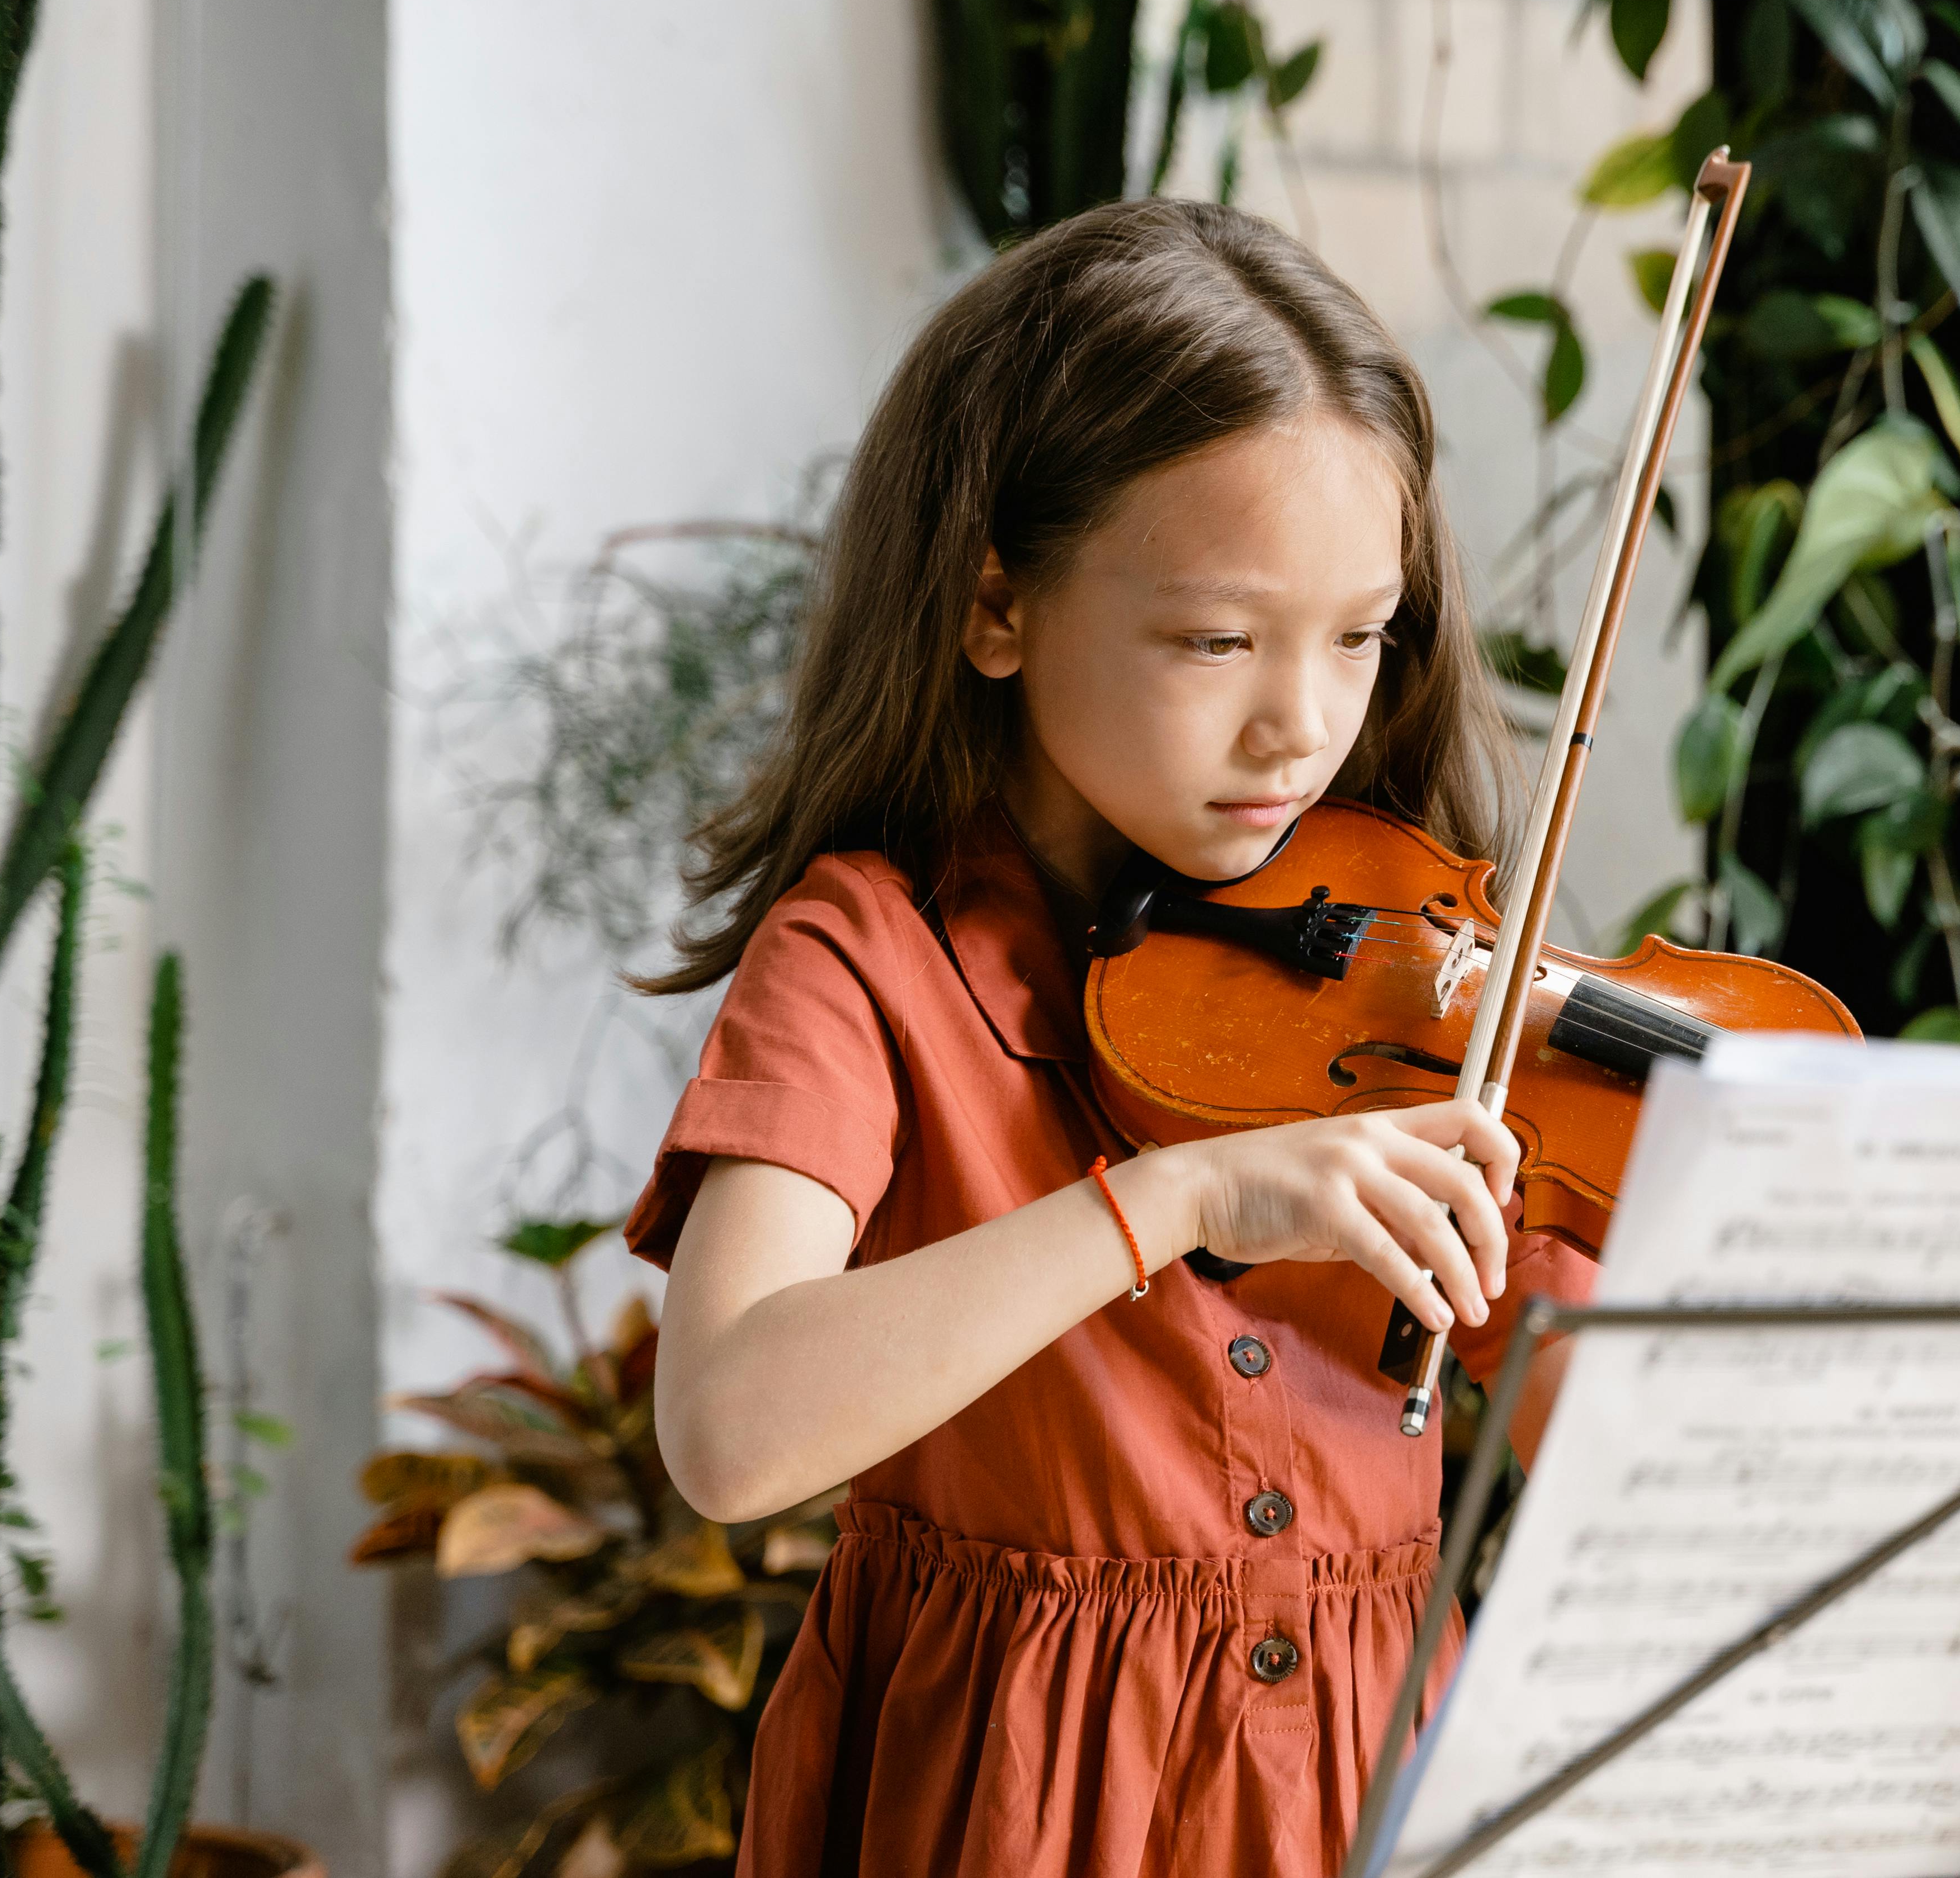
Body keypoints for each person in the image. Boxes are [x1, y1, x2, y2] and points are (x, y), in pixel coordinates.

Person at [629, 199, 1590, 1877]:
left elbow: (1593, 1401)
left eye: (1358, 636)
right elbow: (729, 1428)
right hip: (1011, 1815)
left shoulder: (1409, 985)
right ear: (995, 608)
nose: (1300, 720)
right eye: (1216, 640)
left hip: (1366, 1800)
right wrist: (1186, 1202)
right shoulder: (867, 962)